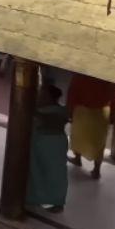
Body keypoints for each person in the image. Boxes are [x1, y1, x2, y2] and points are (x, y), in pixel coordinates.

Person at [29, 83, 72, 212]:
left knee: (47, 172)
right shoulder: (62, 110)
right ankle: (52, 200)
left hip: (48, 144)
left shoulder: (44, 111)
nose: (39, 96)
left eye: (43, 94)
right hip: (53, 143)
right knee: (52, 172)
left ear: (50, 97)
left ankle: (52, 200)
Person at [68, 73, 115, 178]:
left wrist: (69, 110)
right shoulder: (108, 76)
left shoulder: (81, 74)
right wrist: (114, 113)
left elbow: (73, 91)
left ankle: (77, 158)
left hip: (82, 110)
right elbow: (114, 95)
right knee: (99, 143)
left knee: (78, 137)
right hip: (101, 113)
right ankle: (96, 170)